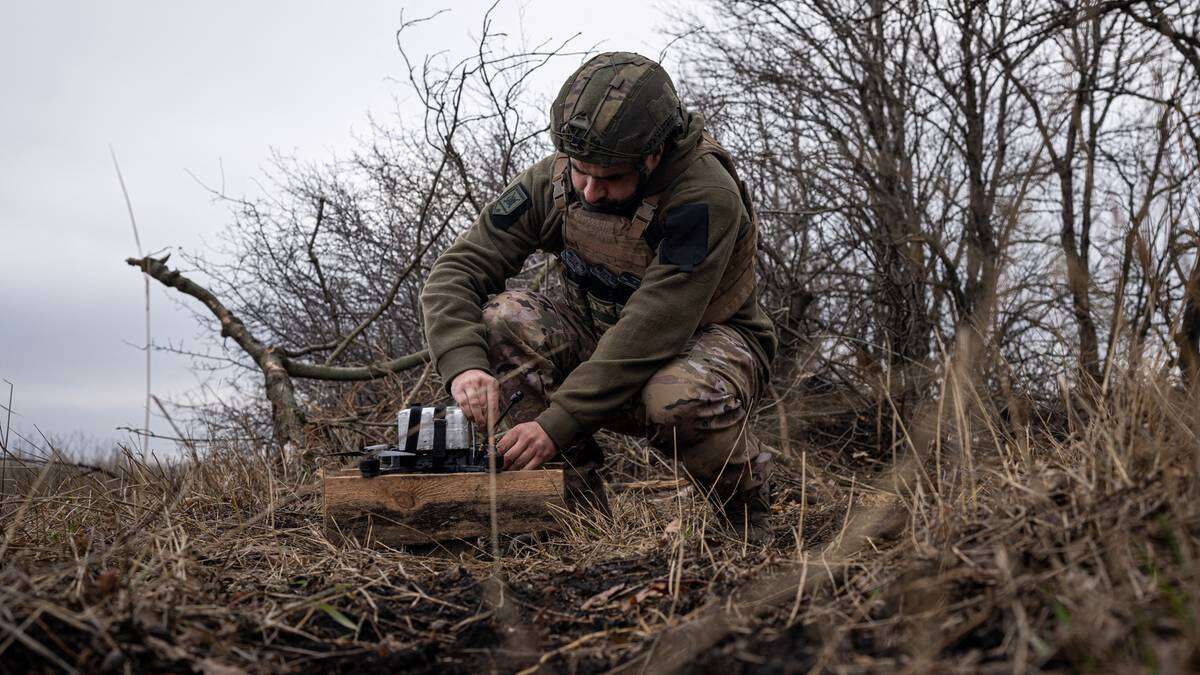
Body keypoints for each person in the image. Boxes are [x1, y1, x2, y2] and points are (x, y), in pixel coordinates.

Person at [419, 52, 778, 539]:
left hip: (706, 345)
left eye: (609, 178)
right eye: (580, 172)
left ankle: (745, 516)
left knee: (678, 398)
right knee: (503, 320)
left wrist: (557, 422)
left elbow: (655, 324)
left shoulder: (703, 195)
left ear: (653, 155)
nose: (587, 191)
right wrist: (464, 365)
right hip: (597, 335)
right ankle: (571, 515)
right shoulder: (554, 180)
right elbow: (459, 268)